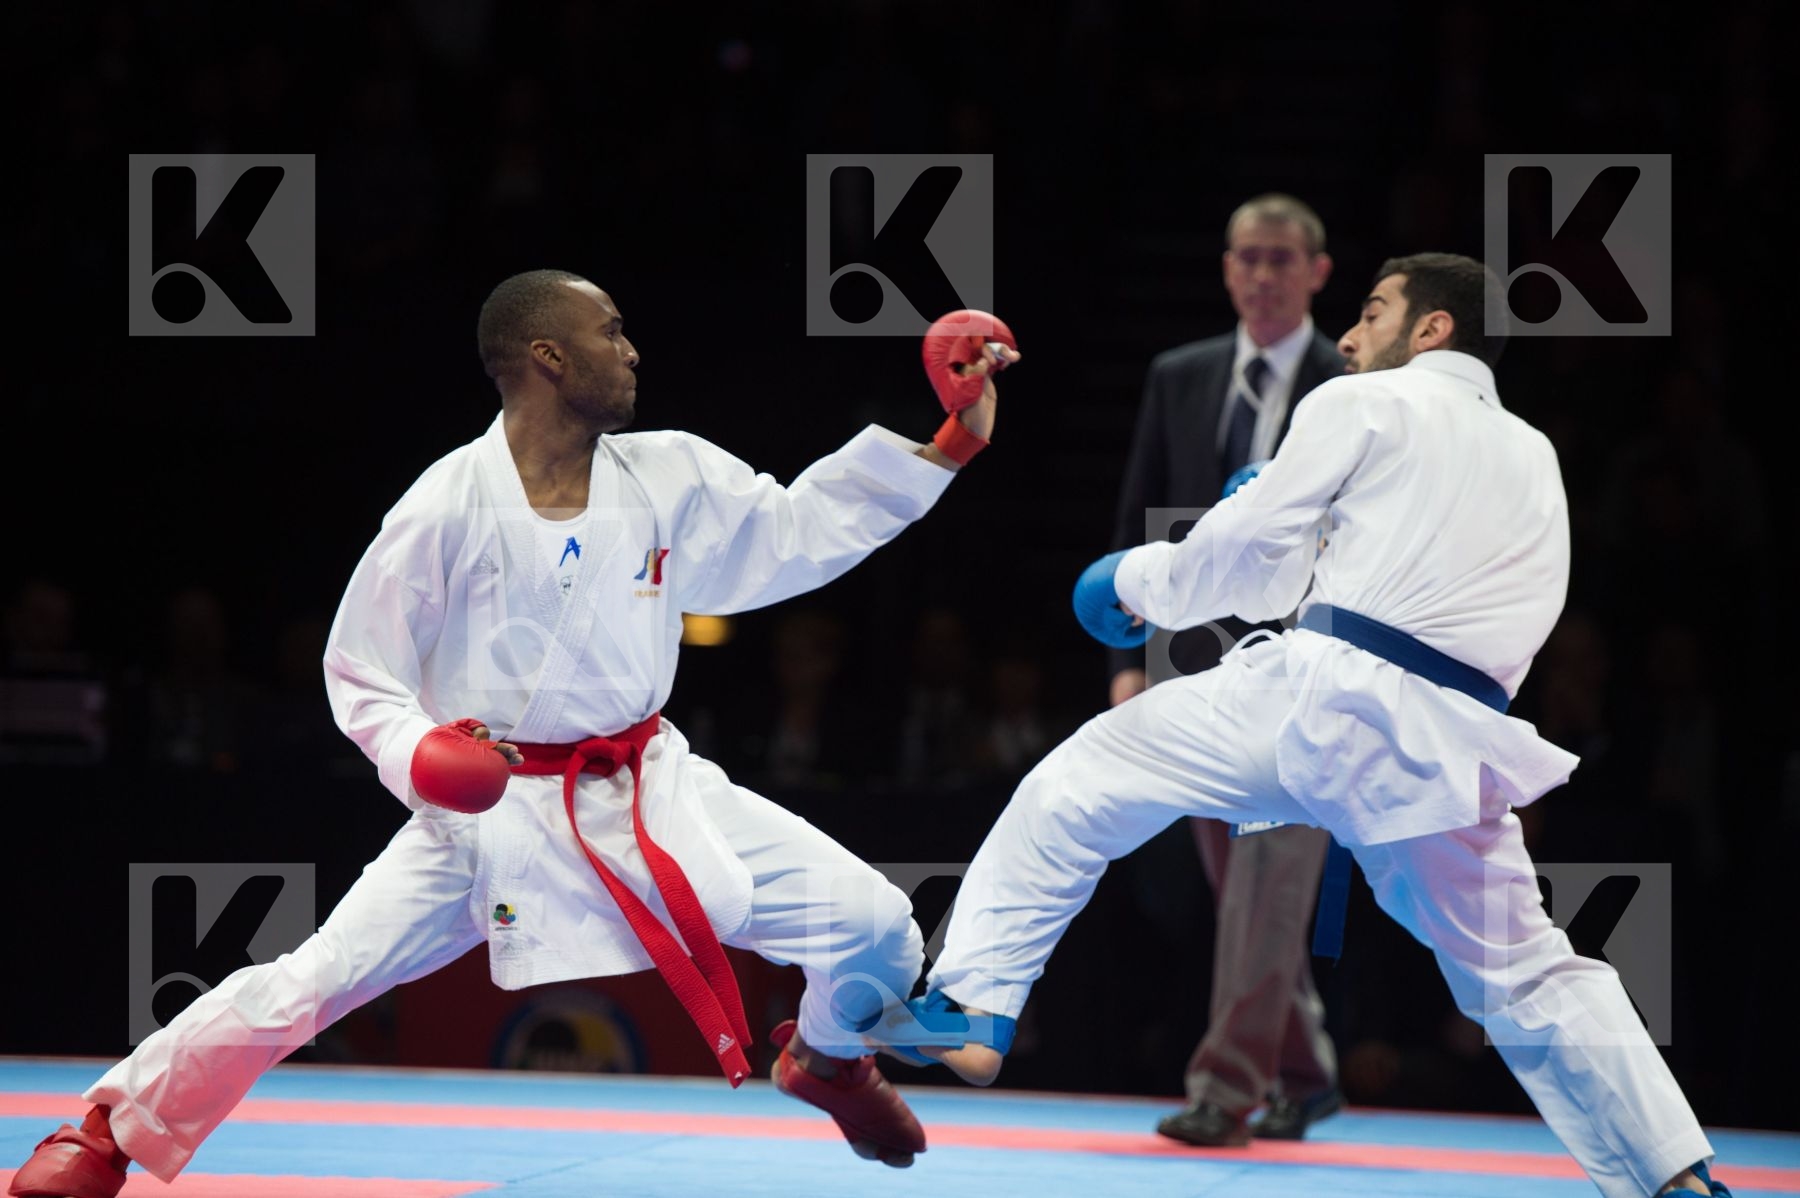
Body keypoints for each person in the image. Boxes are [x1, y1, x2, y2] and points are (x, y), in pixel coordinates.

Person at [8, 270, 1021, 1197]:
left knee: (879, 925)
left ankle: (831, 1057)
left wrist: (950, 441)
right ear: (549, 356)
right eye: (611, 330)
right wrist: (421, 759)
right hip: (488, 818)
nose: (632, 350)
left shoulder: (667, 474)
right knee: (306, 984)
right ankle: (104, 1129)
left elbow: (798, 530)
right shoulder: (446, 505)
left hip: (649, 788)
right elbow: (359, 670)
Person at [887, 255, 1733, 1198]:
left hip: (1327, 697)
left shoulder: (1357, 403)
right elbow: (1376, 589)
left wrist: (1133, 583)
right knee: (1528, 971)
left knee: (1082, 780)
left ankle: (972, 1003)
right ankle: (1674, 1171)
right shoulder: (1537, 455)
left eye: (1373, 312)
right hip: (1449, 743)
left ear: (1432, 330)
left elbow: (1246, 568)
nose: (1348, 335)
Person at [1109, 193, 1346, 1146]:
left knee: (1270, 872)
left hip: (1312, 658)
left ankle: (1227, 1087)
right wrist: (1129, 656)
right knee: (1238, 884)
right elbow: (1139, 518)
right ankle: (1306, 1067)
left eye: (1282, 258)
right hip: (1192, 654)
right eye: (1247, 256)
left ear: (1318, 272)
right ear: (1225, 266)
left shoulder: (1356, 383)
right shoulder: (1183, 374)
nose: (1262, 274)